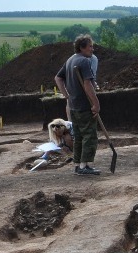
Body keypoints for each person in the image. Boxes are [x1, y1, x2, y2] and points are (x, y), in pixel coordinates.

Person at [54, 34, 102, 175]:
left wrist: (67, 95)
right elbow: (88, 84)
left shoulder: (70, 60)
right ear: (82, 47)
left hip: (73, 106)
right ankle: (84, 166)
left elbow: (58, 78)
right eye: (90, 46)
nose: (92, 49)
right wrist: (96, 103)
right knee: (89, 136)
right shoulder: (84, 61)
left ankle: (78, 165)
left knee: (79, 136)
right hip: (84, 106)